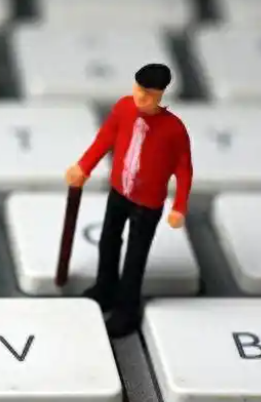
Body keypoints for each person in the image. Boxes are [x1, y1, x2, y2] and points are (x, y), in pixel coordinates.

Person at [65, 63, 193, 338]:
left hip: (148, 203)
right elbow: (105, 138)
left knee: (135, 258)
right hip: (119, 191)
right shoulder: (124, 108)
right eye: (138, 89)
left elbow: (183, 169)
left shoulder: (173, 129)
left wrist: (179, 206)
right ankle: (105, 288)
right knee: (108, 241)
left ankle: (127, 310)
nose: (140, 97)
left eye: (148, 94)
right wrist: (84, 167)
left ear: (160, 94)